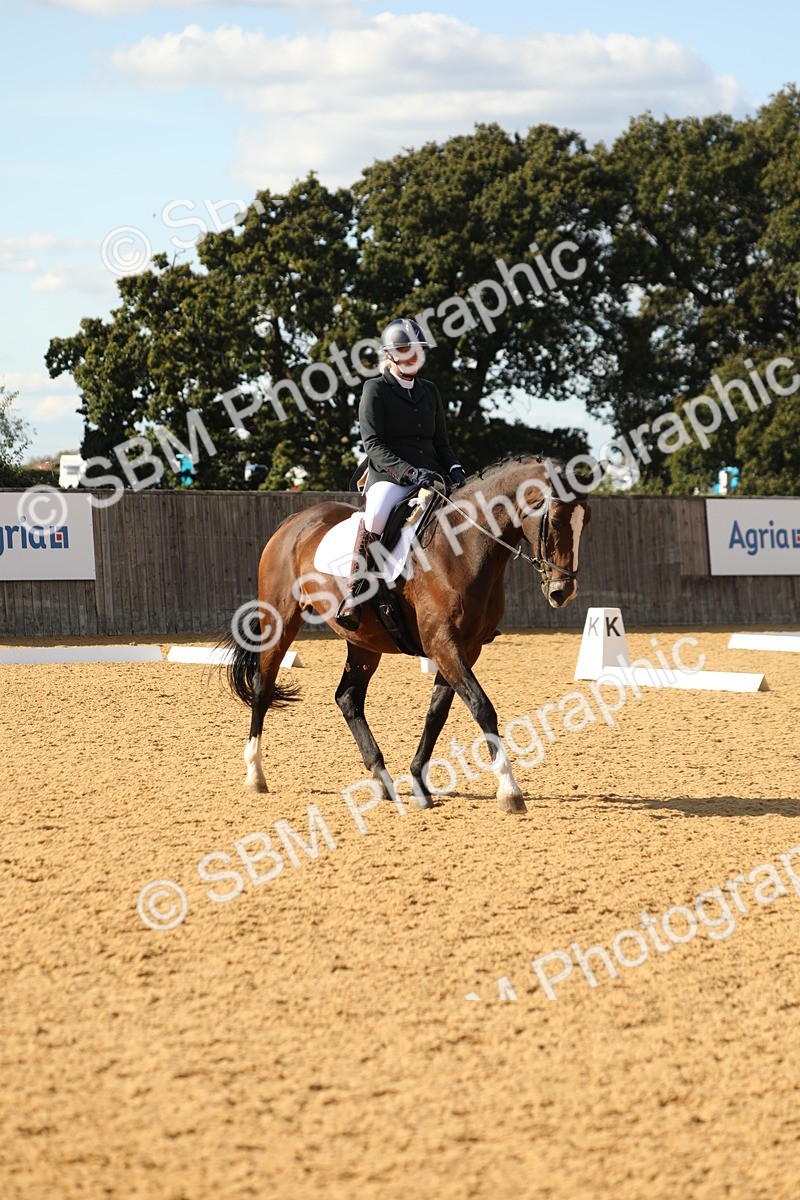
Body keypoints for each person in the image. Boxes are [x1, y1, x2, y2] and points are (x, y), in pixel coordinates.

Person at [335, 317, 467, 631]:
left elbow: (441, 443)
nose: (414, 357)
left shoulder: (430, 391)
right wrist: (407, 472)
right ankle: (355, 592)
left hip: (432, 476)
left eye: (419, 350)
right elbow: (373, 444)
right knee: (377, 514)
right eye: (407, 351)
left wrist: (455, 469)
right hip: (389, 476)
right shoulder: (375, 389)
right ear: (391, 354)